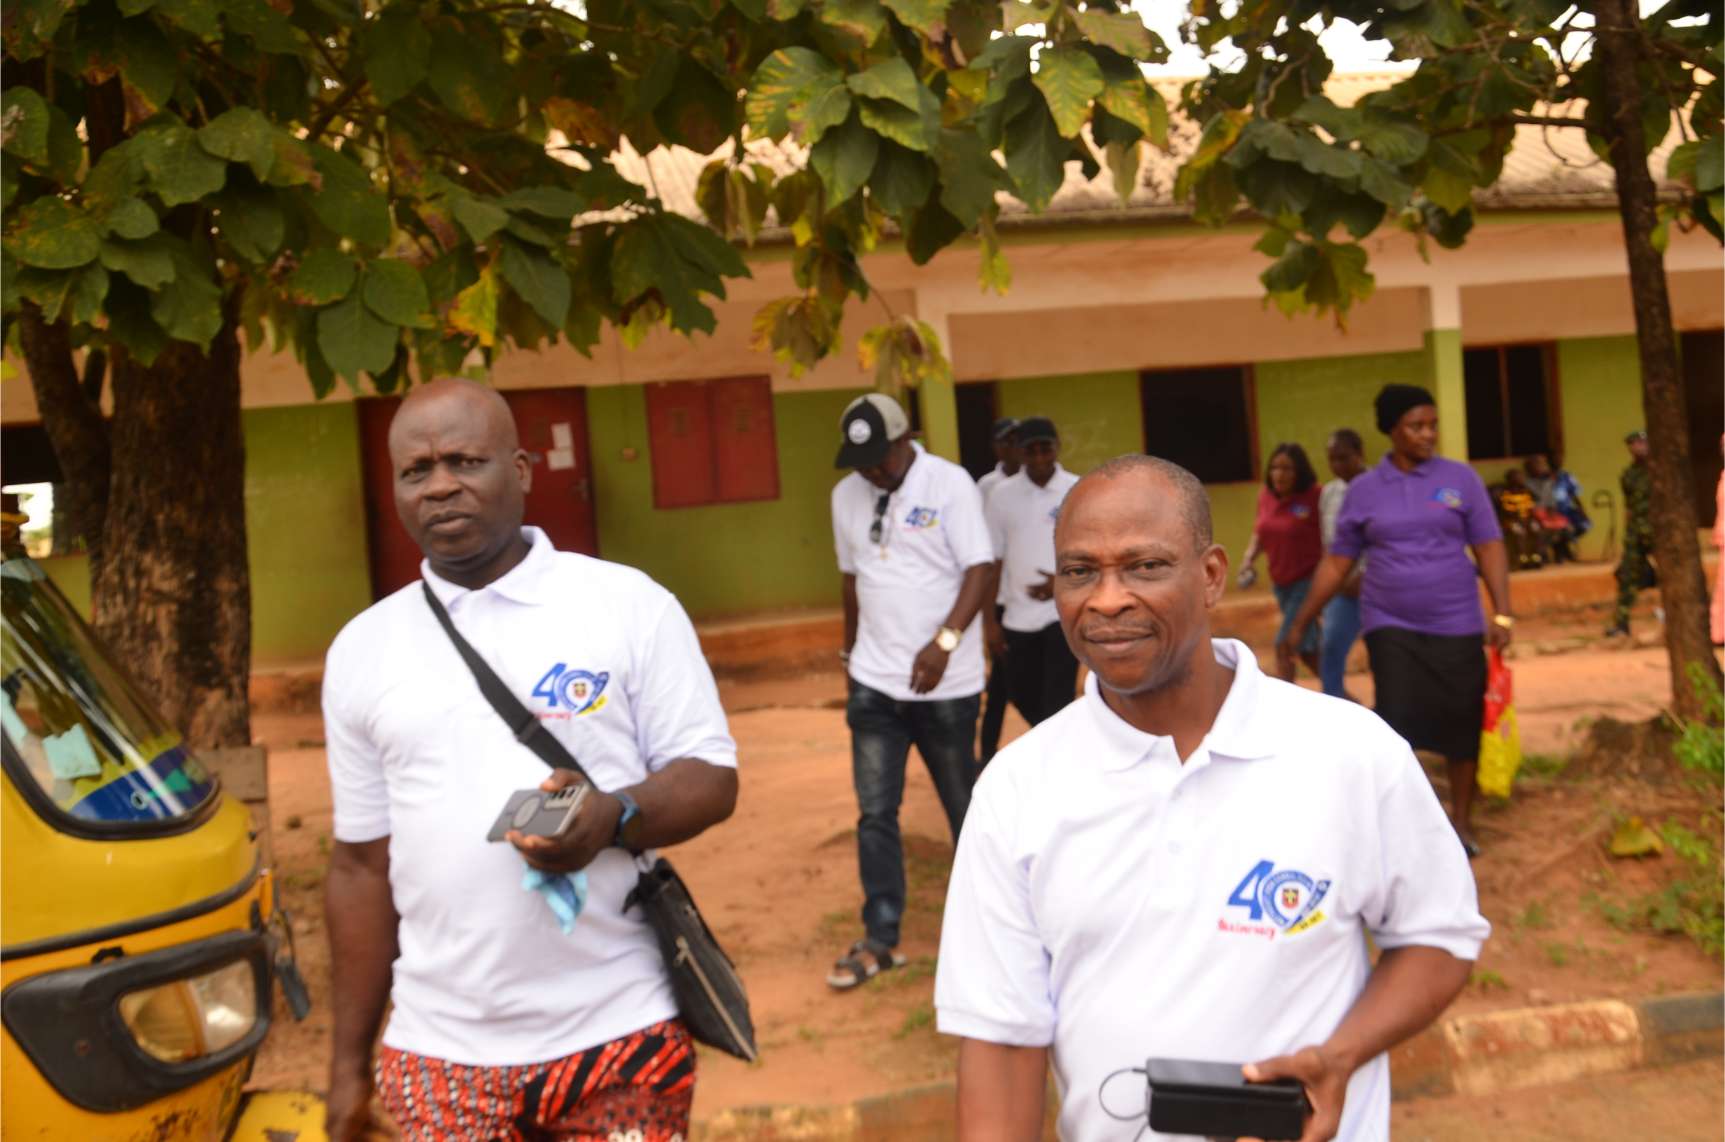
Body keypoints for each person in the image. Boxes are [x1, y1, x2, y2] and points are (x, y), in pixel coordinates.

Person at [935, 455, 1489, 1142]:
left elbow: (1437, 934)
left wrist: (1338, 1057)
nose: (1106, 600)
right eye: (1079, 571)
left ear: (1210, 576)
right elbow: (1001, 1040)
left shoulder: (1349, 752)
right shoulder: (1017, 789)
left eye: (1144, 566)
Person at [322, 379, 740, 1142]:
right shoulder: (363, 650)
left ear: (519, 470)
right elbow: (359, 867)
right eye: (416, 471)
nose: (439, 485)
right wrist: (347, 1066)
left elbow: (711, 778)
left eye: (464, 461)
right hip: (439, 1057)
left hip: (620, 1034)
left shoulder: (626, 605)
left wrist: (614, 817)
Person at [1281, 384, 1513, 858]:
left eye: (1432, 425)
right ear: (1391, 429)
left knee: (1462, 720)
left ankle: (1461, 822)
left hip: (1457, 622)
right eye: (1416, 426)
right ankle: (1409, 826)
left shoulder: (1460, 479)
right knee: (1398, 722)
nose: (1428, 434)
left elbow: (1489, 546)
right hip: (1391, 623)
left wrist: (1502, 612)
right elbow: (1338, 562)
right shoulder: (1365, 491)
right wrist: (1301, 621)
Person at [829, 394, 994, 989]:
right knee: (876, 813)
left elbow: (980, 568)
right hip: (875, 685)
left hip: (946, 687)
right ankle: (880, 936)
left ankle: (996, 931)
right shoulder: (846, 494)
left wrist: (945, 643)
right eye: (861, 461)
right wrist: (850, 655)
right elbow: (852, 579)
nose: (871, 471)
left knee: (965, 811)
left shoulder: (949, 484)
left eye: (880, 457)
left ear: (905, 440)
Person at [983, 417, 1081, 728]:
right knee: (1020, 692)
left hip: (1063, 612)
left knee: (1058, 698)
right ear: (1019, 452)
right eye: (1030, 450)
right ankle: (1053, 741)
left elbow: (1094, 551)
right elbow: (992, 561)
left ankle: (1056, 750)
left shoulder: (1076, 489)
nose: (1039, 457)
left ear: (1057, 448)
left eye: (1045, 448)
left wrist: (1061, 582)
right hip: (1017, 615)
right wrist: (989, 622)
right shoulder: (1001, 495)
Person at [1237, 442, 1324, 682]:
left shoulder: (1316, 495)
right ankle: (1343, 697)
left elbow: (1332, 535)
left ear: (1300, 471)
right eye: (1275, 467)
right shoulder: (1265, 496)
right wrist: (1248, 559)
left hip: (1308, 583)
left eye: (1287, 469)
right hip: (1282, 585)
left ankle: (1280, 701)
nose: (1279, 474)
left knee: (1285, 645)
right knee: (1308, 651)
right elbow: (1260, 532)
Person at [977, 417, 1022, 763]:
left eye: (1017, 441)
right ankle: (987, 753)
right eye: (1007, 441)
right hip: (1002, 600)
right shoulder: (986, 487)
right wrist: (988, 615)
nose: (1014, 448)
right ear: (996, 447)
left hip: (1036, 600)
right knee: (1002, 684)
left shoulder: (1038, 484)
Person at [1319, 429, 1368, 700]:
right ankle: (1334, 702)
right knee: (1330, 647)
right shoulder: (1329, 493)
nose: (1337, 465)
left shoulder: (1378, 488)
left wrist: (1364, 576)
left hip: (1377, 588)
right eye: (1332, 459)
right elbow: (1327, 543)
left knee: (1385, 650)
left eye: (1344, 458)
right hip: (1341, 590)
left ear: (1359, 455)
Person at [1606, 429, 1654, 638]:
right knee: (1627, 576)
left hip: (1659, 530)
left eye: (1641, 443)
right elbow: (1629, 507)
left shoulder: (1661, 471)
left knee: (1675, 575)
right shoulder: (1629, 475)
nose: (1637, 447)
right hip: (1636, 531)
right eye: (1633, 444)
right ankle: (1621, 624)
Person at [1523, 453, 1585, 563]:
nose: (1542, 467)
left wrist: (1551, 511)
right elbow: (1530, 504)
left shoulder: (1550, 481)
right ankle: (1544, 555)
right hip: (1535, 516)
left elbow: (1550, 503)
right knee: (1542, 530)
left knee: (1566, 527)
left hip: (1548, 515)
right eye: (1538, 465)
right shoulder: (1528, 483)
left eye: (1542, 464)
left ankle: (1561, 552)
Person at [1492, 469, 1546, 570]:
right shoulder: (1506, 494)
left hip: (1527, 520)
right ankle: (1522, 559)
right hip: (1513, 521)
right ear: (1511, 480)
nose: (1521, 479)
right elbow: (1507, 512)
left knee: (1536, 530)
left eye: (1522, 477)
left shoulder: (1526, 493)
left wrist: (1530, 519)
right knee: (1520, 533)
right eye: (1518, 477)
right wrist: (1517, 519)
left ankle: (1535, 558)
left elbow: (1531, 508)